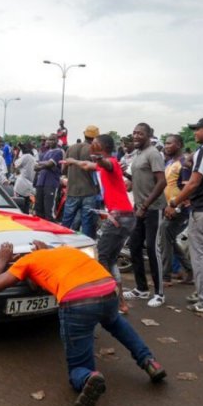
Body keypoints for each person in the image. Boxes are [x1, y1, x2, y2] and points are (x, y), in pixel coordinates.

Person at [0, 241, 166, 406]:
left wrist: (2, 261)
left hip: (78, 301)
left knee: (78, 367)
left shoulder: (26, 262)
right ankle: (149, 362)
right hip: (108, 289)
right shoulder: (65, 251)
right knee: (115, 322)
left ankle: (88, 377)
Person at [63, 134, 136, 314]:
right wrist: (73, 161)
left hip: (119, 218)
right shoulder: (101, 166)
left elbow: (106, 164)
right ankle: (119, 303)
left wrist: (100, 160)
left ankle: (109, 301)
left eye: (94, 144)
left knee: (101, 258)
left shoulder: (110, 163)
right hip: (123, 216)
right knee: (109, 260)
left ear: (101, 147)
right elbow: (88, 165)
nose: (90, 147)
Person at [164, 118, 203, 314]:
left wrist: (174, 203)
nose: (194, 133)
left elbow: (193, 183)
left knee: (199, 257)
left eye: (197, 130)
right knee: (202, 255)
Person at [123, 123, 167, 307]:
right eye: (134, 132)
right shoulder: (138, 154)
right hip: (139, 207)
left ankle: (159, 293)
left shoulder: (153, 153)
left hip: (153, 208)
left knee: (152, 248)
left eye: (140, 133)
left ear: (149, 135)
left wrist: (146, 205)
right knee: (134, 246)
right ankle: (141, 289)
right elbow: (140, 178)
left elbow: (161, 181)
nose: (136, 136)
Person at [158, 134, 193, 285]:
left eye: (169, 143)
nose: (166, 146)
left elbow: (186, 189)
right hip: (169, 207)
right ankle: (189, 271)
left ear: (178, 145)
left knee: (165, 235)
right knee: (169, 239)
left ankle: (166, 277)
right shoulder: (170, 162)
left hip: (179, 209)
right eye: (165, 143)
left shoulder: (184, 164)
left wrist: (176, 207)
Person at [60, 125, 100, 239]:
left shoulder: (71, 148)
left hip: (72, 191)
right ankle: (85, 246)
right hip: (88, 191)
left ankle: (62, 243)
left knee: (66, 221)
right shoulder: (93, 150)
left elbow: (64, 169)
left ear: (85, 135)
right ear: (95, 138)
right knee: (87, 222)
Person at [34, 134, 63, 220]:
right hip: (41, 182)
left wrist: (41, 164)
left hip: (51, 183)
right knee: (38, 209)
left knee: (48, 211)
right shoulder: (45, 153)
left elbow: (50, 164)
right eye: (49, 139)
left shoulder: (58, 152)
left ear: (57, 141)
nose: (50, 141)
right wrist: (43, 164)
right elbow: (37, 165)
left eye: (52, 139)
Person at [13, 142, 36, 214]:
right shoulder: (33, 158)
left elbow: (15, 164)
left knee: (19, 208)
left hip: (21, 185)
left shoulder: (26, 156)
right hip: (29, 186)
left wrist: (17, 153)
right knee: (26, 208)